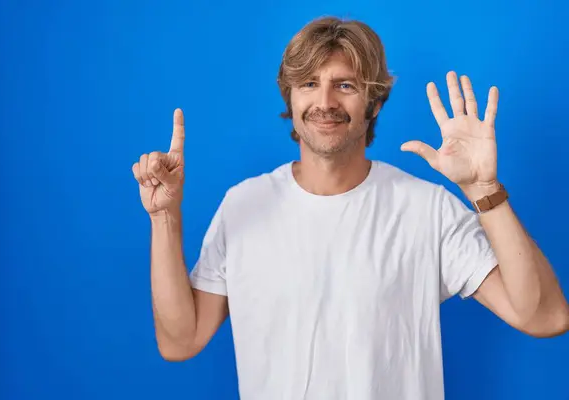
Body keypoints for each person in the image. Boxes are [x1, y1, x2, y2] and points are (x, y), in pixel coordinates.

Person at [131, 16, 569, 400]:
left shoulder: (427, 208)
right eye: (308, 84)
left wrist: (484, 190)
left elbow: (545, 317)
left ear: (374, 102)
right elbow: (180, 342)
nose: (325, 102)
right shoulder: (243, 205)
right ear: (290, 99)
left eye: (345, 85)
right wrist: (164, 218)